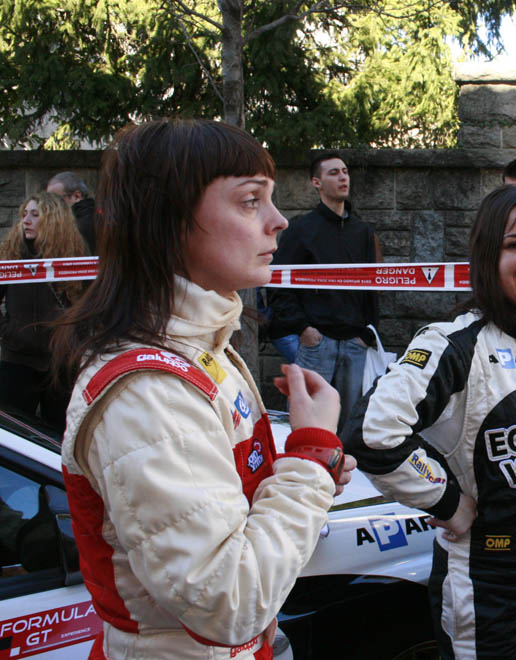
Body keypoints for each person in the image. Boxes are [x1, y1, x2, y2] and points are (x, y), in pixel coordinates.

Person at [53, 118, 356, 659]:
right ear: (170, 221)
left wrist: (307, 468)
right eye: (250, 201)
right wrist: (311, 460)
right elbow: (228, 602)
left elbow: (231, 512)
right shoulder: (148, 390)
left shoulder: (200, 346)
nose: (279, 221)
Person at [342, 185, 516, 659]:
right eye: (515, 244)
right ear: (488, 256)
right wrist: (447, 499)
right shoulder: (453, 344)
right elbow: (370, 435)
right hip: (486, 573)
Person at [269, 149, 382, 430]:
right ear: (316, 182)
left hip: (355, 343)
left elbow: (374, 284)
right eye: (334, 173)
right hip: (316, 343)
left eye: (345, 171)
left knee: (349, 426)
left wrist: (367, 333)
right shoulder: (301, 229)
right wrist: (303, 329)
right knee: (306, 425)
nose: (343, 177)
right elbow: (278, 283)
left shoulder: (362, 231)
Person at [0, 192, 88, 430]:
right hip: (17, 361)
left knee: (60, 433)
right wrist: (9, 332)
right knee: (13, 432)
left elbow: (90, 305)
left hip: (61, 364)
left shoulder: (75, 256)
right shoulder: (11, 254)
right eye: (24, 214)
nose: (26, 220)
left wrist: (73, 338)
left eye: (35, 215)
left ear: (54, 220)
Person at [46, 171, 98, 252]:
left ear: (76, 196)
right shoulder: (99, 217)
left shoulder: (77, 226)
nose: (50, 205)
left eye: (56, 199)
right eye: (49, 200)